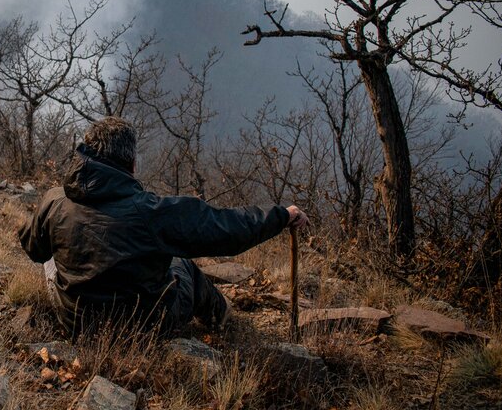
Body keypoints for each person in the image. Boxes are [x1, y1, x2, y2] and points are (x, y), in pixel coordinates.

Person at [18, 116, 308, 337]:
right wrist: (281, 215)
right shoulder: (153, 211)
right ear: (131, 163)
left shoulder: (54, 200)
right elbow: (227, 229)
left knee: (52, 261)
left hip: (76, 321)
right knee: (185, 265)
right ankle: (223, 322)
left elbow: (34, 250)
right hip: (144, 326)